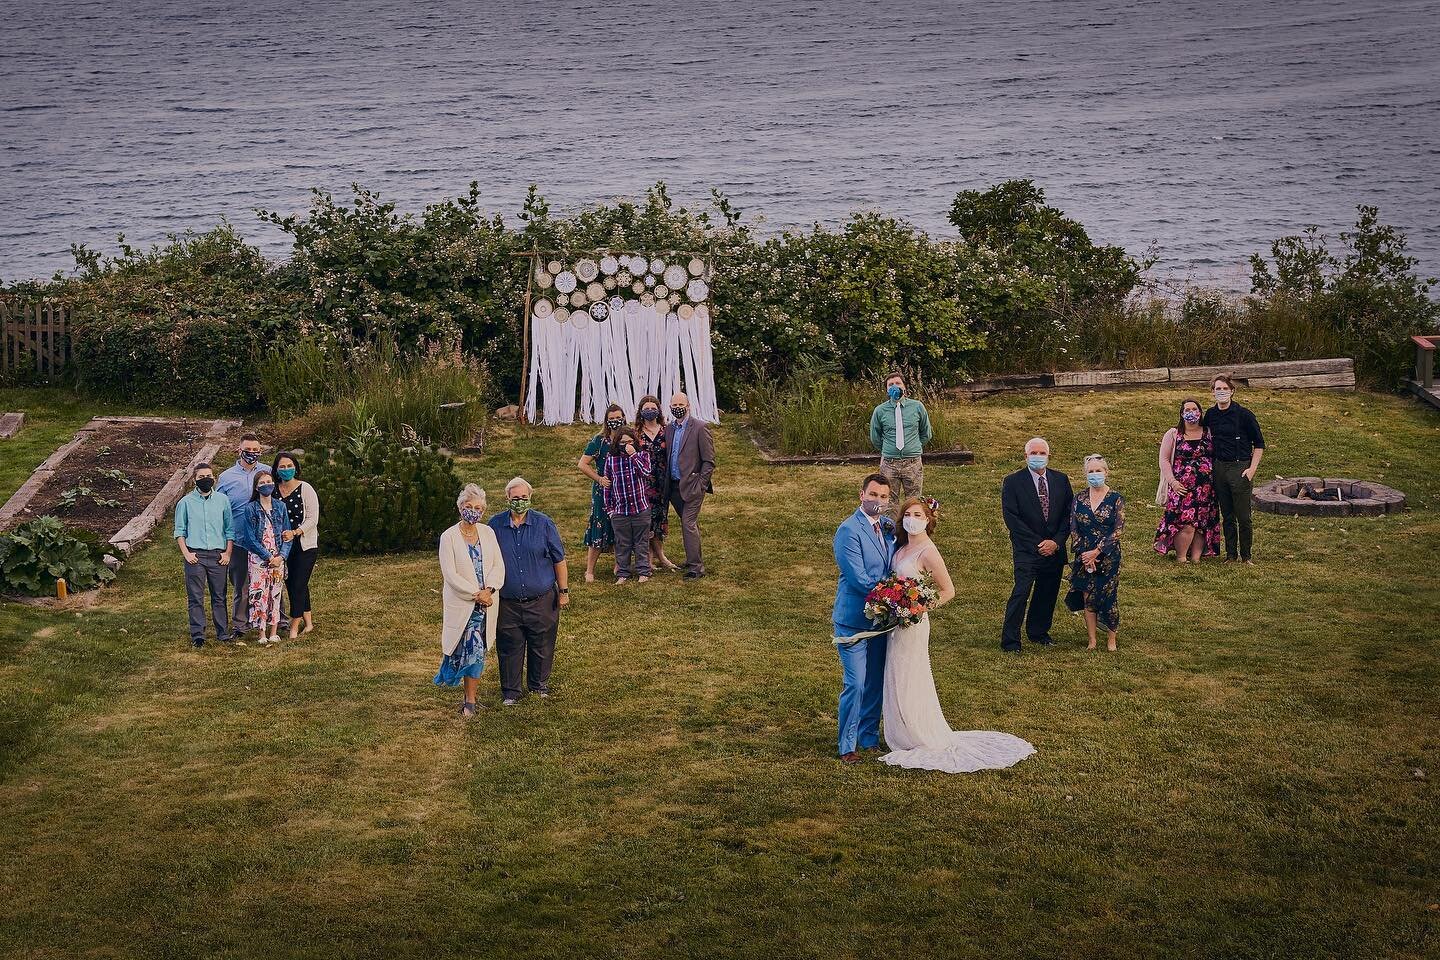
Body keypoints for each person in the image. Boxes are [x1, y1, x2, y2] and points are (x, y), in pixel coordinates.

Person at [881, 498, 1036, 772]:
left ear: (928, 520)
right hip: (896, 623)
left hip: (913, 623)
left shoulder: (928, 551)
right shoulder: (901, 546)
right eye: (908, 514)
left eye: (918, 514)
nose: (911, 518)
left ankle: (919, 732)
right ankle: (901, 729)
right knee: (895, 673)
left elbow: (948, 590)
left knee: (910, 673)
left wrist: (917, 608)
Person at [487, 478, 570, 705]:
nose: (520, 502)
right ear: (507, 499)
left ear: (530, 498)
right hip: (508, 601)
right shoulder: (494, 526)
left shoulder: (544, 524)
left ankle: (538, 686)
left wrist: (563, 591)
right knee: (509, 646)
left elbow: (559, 559)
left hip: (541, 599)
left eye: (524, 498)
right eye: (515, 498)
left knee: (542, 644)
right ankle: (511, 692)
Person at [832, 473, 895, 764]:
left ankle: (869, 737)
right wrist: (895, 596)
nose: (878, 501)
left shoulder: (886, 528)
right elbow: (859, 579)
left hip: (881, 622)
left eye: (883, 497)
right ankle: (847, 745)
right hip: (854, 619)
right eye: (873, 495)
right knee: (855, 683)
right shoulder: (849, 530)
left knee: (875, 682)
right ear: (861, 495)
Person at [437, 484, 505, 717]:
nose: (473, 511)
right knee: (467, 650)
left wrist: (490, 590)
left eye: (478, 508)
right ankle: (470, 701)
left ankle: (470, 700)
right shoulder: (449, 537)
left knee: (477, 651)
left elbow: (498, 565)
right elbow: (450, 573)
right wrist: (476, 593)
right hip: (465, 602)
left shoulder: (488, 533)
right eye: (469, 507)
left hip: (487, 603)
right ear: (460, 508)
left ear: (483, 510)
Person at [1000, 437, 1073, 653]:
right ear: (1026, 456)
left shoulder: (1061, 480)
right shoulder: (1013, 482)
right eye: (1034, 453)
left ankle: (1038, 632)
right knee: (1021, 592)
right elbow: (1012, 518)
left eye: (1042, 453)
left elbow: (1069, 514)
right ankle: (1011, 640)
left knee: (1047, 592)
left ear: (1048, 456)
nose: (1038, 457)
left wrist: (1056, 542)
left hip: (1054, 549)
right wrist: (1038, 543)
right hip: (1027, 549)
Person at [1202, 375, 1266, 564]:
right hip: (1219, 467)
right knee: (1227, 515)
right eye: (1217, 389)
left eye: (1224, 388)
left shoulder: (1244, 414)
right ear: (1212, 392)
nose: (1221, 392)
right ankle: (1230, 555)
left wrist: (1252, 468)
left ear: (1232, 391)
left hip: (1240, 467)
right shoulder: (1211, 415)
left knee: (1243, 516)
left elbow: (1259, 444)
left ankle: (1246, 556)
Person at [1066, 456, 1126, 651]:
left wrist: (1097, 551)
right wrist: (1085, 554)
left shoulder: (1116, 498)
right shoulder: (1079, 498)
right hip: (1084, 555)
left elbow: (1118, 529)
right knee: (1087, 595)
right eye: (1090, 471)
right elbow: (1073, 527)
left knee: (1108, 594)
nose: (1094, 475)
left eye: (1098, 471)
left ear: (1106, 472)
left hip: (1108, 555)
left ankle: (1111, 639)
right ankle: (1091, 639)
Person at [173, 462, 234, 648]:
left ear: (213, 477)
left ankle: (222, 632)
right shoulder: (185, 503)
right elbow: (179, 531)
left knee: (219, 595)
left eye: (209, 476)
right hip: (195, 556)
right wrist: (186, 554)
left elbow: (229, 529)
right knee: (195, 596)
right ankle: (198, 634)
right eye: (201, 477)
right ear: (195, 480)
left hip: (218, 555)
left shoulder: (223, 500)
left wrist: (227, 553)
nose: (206, 479)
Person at [1153, 399, 1220, 562]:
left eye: (1195, 409)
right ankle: (1181, 557)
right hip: (1181, 488)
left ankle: (1196, 557)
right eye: (1187, 409)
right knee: (1186, 523)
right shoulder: (1173, 434)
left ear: (1200, 412)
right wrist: (1173, 482)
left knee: (1202, 523)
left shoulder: (1209, 432)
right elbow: (1164, 460)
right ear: (1182, 413)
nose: (1191, 412)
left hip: (1205, 489)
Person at [233, 468, 292, 647]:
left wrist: (281, 556)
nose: (267, 486)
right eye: (262, 483)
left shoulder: (280, 507)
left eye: (269, 482)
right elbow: (250, 538)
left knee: (275, 592)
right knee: (259, 594)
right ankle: (261, 631)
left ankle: (274, 631)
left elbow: (286, 533)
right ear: (256, 487)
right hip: (259, 558)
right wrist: (267, 556)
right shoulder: (250, 508)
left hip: (278, 558)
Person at [217, 433, 266, 641]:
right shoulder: (226, 477)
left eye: (256, 450)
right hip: (238, 539)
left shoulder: (267, 471)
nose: (252, 453)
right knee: (241, 584)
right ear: (239, 450)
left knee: (270, 580)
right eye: (248, 449)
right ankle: (240, 624)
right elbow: (219, 508)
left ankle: (276, 619)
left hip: (264, 538)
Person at [663, 392, 715, 580]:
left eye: (680, 404)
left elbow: (709, 460)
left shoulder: (700, 428)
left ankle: (696, 568)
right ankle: (693, 557)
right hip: (675, 487)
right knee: (689, 524)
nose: (677, 407)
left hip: (693, 486)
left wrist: (702, 483)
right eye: (674, 404)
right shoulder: (669, 429)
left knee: (688, 523)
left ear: (688, 406)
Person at [869, 371, 934, 510]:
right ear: (887, 390)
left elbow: (926, 433)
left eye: (898, 383)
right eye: (890, 384)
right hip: (889, 464)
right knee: (889, 503)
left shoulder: (917, 407)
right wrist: (888, 449)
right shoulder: (880, 411)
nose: (894, 386)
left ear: (904, 387)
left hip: (913, 463)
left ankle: (911, 530)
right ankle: (891, 530)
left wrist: (913, 447)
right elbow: (875, 437)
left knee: (914, 502)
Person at [273, 453, 320, 639]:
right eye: (282, 467)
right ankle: (309, 623)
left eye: (289, 466)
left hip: (304, 544)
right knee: (292, 583)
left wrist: (295, 532)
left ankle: (294, 625)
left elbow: (312, 519)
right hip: (283, 546)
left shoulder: (305, 488)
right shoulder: (274, 490)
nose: (286, 470)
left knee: (298, 585)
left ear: (296, 467)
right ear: (276, 469)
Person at [578, 404, 626, 583]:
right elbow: (582, 464)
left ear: (623, 418)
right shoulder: (599, 440)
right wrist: (598, 479)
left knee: (620, 527)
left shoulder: (627, 438)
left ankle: (619, 564)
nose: (615, 421)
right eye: (611, 419)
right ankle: (590, 570)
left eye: (618, 418)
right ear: (607, 421)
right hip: (603, 491)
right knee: (598, 525)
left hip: (623, 490)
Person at [603, 426, 654, 584]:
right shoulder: (611, 459)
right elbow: (607, 485)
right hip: (620, 511)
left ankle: (643, 571)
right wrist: (610, 510)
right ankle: (623, 572)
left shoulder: (642, 455)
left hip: (640, 508)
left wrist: (633, 455)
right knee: (622, 543)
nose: (626, 445)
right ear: (616, 442)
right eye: (622, 442)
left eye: (629, 442)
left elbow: (646, 472)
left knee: (641, 542)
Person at [634, 395, 679, 572]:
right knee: (646, 520)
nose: (650, 411)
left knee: (659, 519)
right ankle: (651, 558)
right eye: (646, 408)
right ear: (641, 411)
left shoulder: (667, 430)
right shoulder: (636, 433)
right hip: (643, 483)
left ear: (659, 410)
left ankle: (660, 556)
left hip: (662, 482)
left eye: (653, 407)